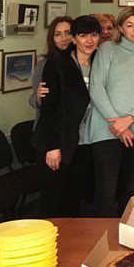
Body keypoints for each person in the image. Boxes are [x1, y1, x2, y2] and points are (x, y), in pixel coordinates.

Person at [87, 6, 134, 217]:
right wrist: (117, 123)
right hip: (106, 130)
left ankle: (125, 237)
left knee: (130, 192)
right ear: (120, 28)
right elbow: (97, 88)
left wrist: (129, 119)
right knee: (106, 193)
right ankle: (103, 237)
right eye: (130, 25)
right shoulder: (107, 49)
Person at [31, 15, 100, 217]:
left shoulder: (100, 61)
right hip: (58, 141)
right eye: (82, 35)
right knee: (53, 200)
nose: (88, 40)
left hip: (84, 141)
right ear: (75, 39)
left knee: (74, 199)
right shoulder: (56, 64)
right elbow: (49, 109)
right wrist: (52, 147)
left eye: (93, 35)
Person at [29, 16, 73, 124]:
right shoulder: (45, 65)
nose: (64, 38)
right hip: (51, 126)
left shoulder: (86, 61)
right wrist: (39, 98)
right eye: (58, 34)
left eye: (68, 33)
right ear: (52, 39)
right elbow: (33, 100)